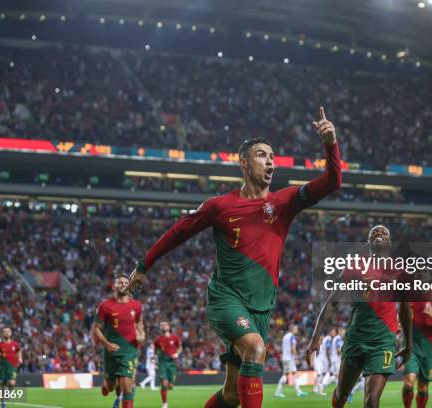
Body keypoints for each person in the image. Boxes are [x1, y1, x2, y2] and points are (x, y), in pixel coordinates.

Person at [129, 106, 342, 408]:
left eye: (272, 156)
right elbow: (179, 231)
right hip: (227, 300)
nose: (270, 161)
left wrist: (330, 144)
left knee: (230, 396)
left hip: (261, 307)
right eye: (261, 155)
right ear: (243, 162)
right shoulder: (220, 207)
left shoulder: (285, 201)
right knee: (255, 349)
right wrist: (143, 266)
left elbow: (333, 182)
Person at [306, 225, 413, 408]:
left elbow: (405, 310)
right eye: (373, 233)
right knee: (341, 396)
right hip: (356, 339)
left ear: (390, 243)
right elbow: (332, 302)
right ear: (368, 243)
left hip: (383, 343)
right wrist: (315, 338)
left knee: (372, 400)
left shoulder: (400, 272)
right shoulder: (354, 267)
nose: (378, 233)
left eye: (383, 233)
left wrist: (408, 343)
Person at [92, 274, 145, 408]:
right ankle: (107, 383)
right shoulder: (105, 306)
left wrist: (141, 333)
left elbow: (139, 322)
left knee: (127, 385)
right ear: (115, 286)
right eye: (120, 282)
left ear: (130, 285)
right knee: (110, 387)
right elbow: (96, 329)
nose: (123, 284)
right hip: (111, 350)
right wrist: (107, 345)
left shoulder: (137, 305)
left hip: (130, 349)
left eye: (126, 282)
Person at [401, 296, 432, 408]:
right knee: (409, 382)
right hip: (410, 345)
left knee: (423, 387)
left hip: (428, 348)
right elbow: (399, 315)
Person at [0, 327, 22, 408]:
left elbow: (19, 351)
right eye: (5, 332)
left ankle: (8, 393)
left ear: (11, 333)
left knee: (12, 383)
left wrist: (20, 358)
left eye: (8, 332)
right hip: (3, 367)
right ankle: (2, 403)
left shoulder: (15, 344)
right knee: (2, 386)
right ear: (2, 334)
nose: (7, 333)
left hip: (12, 367)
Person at [274, 324, 307, 398]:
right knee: (286, 375)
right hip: (289, 358)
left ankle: (299, 391)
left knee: (294, 374)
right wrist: (297, 357)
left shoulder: (285, 336)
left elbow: (283, 347)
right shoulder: (292, 336)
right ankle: (277, 392)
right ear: (292, 329)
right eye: (296, 328)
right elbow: (293, 348)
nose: (297, 330)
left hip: (285, 357)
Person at [155, 321, 182, 408]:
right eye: (161, 325)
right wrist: (153, 359)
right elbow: (155, 351)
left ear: (169, 327)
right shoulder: (158, 340)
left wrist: (177, 353)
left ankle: (170, 385)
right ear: (160, 328)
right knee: (164, 383)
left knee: (170, 386)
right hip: (162, 363)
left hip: (172, 364)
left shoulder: (175, 338)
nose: (163, 326)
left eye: (165, 325)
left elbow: (180, 347)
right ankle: (165, 403)